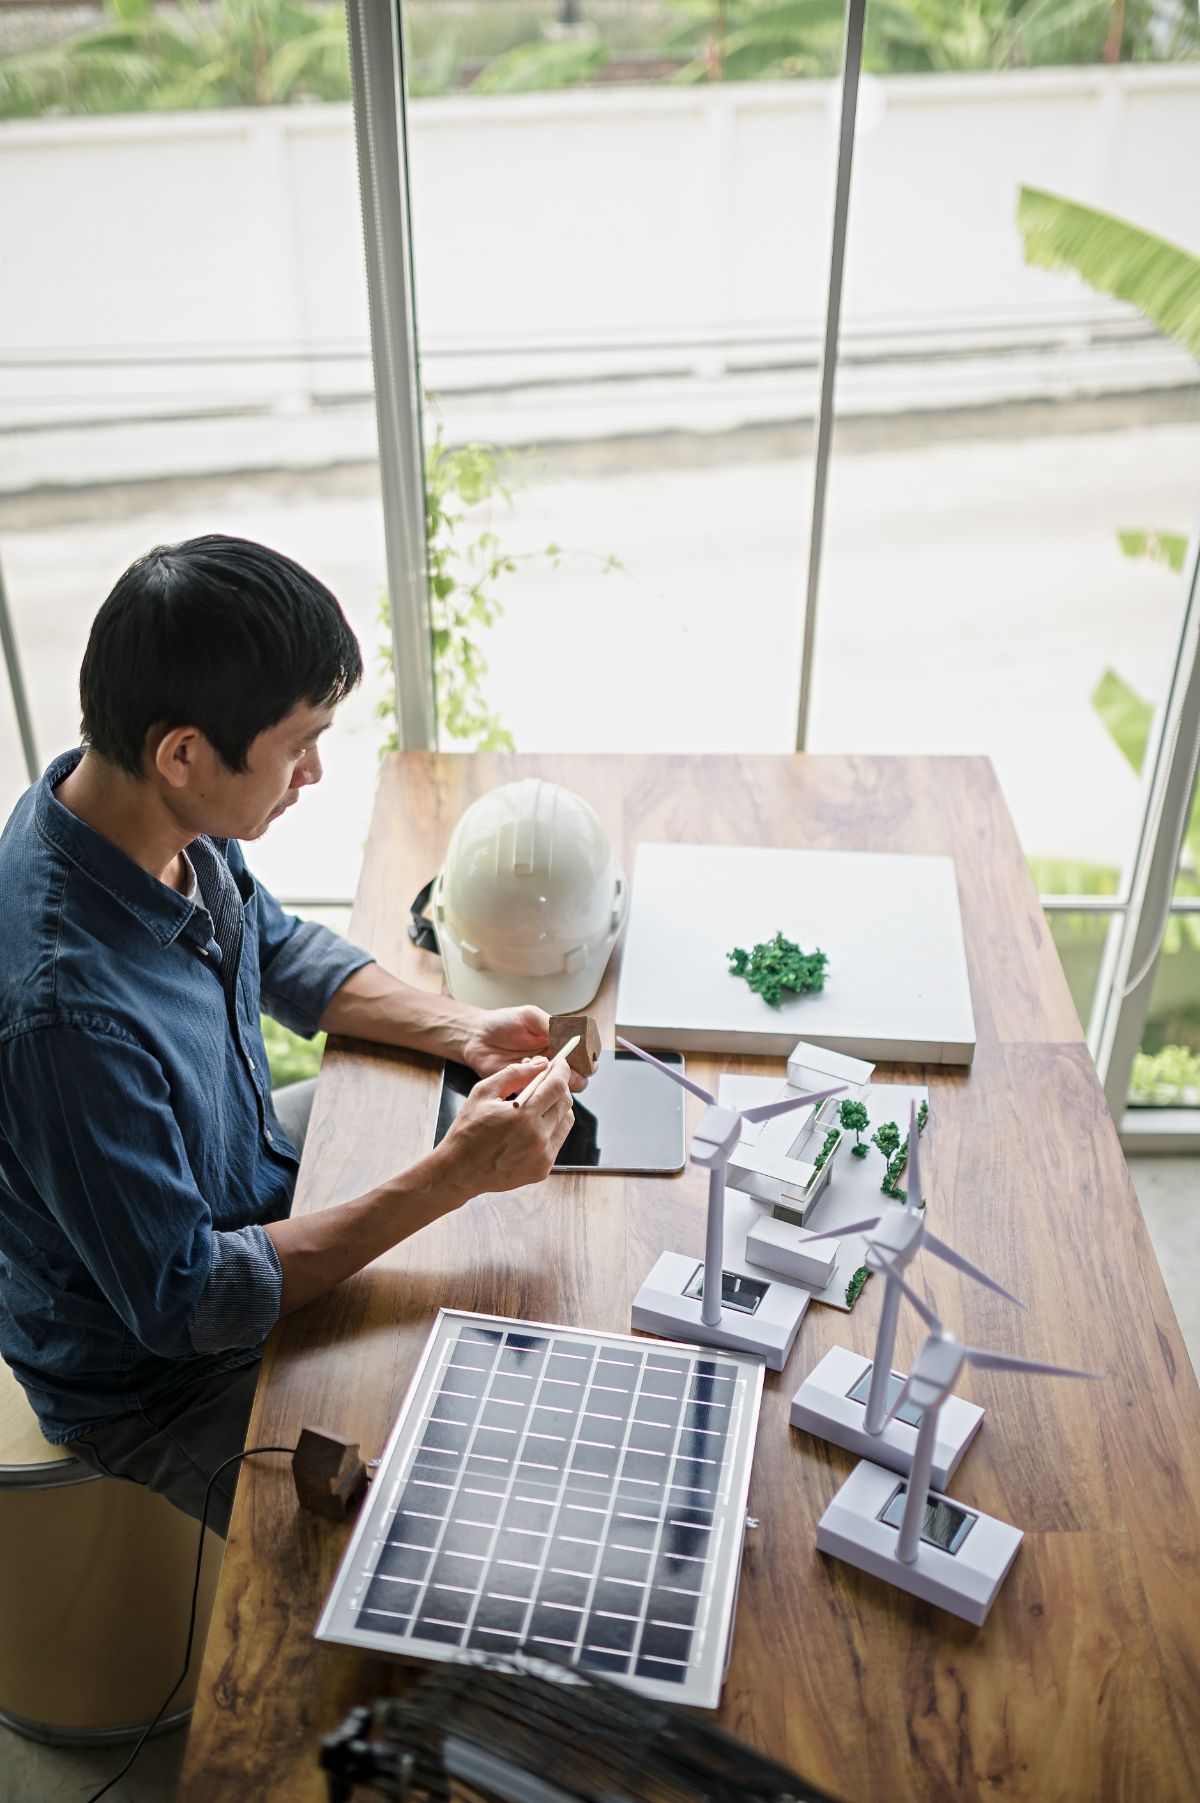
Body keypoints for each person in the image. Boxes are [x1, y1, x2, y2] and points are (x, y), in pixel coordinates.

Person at [0, 534, 576, 1535]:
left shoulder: (128, 810)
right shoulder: (65, 1014)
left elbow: (272, 946)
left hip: (242, 1182)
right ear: (182, 751)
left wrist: (465, 1029)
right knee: (435, 1531)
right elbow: (193, 1304)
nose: (313, 770)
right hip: (159, 1378)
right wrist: (450, 1175)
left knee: (524, 1267)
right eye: (299, 740)